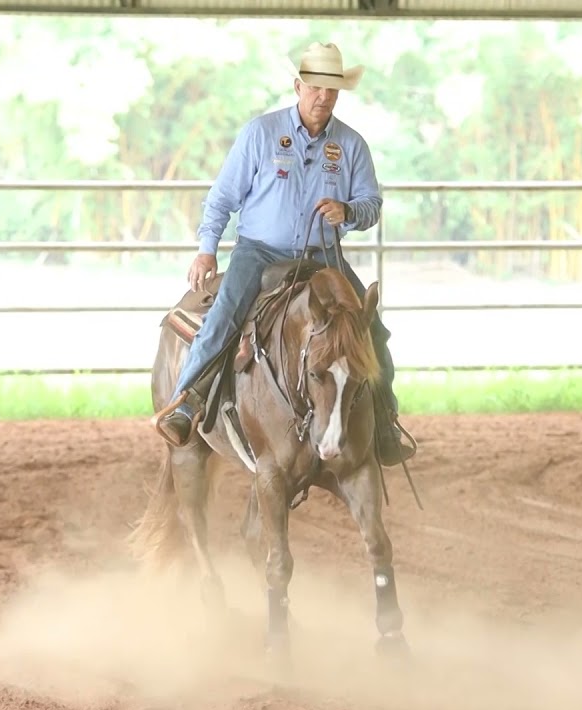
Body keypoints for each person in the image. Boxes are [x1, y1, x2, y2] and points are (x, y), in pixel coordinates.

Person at [152, 41, 415, 467]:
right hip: (258, 251)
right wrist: (206, 250)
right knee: (223, 315)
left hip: (322, 255)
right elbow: (221, 199)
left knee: (372, 330)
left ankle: (385, 420)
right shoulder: (261, 134)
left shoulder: (351, 145)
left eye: (332, 90)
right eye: (315, 87)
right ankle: (187, 402)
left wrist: (347, 211)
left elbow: (371, 206)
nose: (323, 97)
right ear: (298, 86)